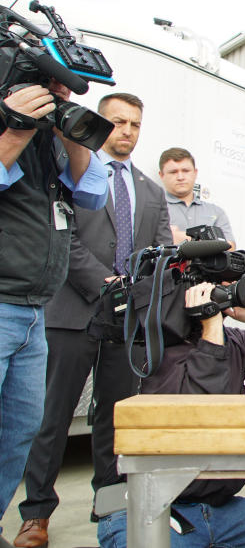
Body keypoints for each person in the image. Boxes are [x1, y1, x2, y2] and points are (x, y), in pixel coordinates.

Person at [15, 93, 173, 548]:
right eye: (118, 122)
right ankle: (36, 514)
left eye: (135, 124)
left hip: (125, 322)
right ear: (99, 124)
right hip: (72, 312)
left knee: (114, 417)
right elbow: (62, 235)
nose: (127, 131)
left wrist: (135, 297)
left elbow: (159, 255)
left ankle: (109, 504)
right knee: (52, 417)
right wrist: (107, 283)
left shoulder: (150, 189)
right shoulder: (71, 173)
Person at [95, 280, 245, 548]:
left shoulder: (236, 342)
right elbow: (198, 411)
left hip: (219, 507)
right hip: (149, 503)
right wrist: (210, 327)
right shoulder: (154, 350)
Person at [0, 82, 109, 544]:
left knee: (19, 433)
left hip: (32, 311)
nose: (58, 95)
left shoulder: (51, 140)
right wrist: (15, 128)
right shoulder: (15, 128)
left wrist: (72, 137)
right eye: (51, 86)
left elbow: (91, 195)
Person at [158, 147, 235, 249]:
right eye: (173, 172)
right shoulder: (155, 210)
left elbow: (229, 247)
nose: (180, 177)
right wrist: (210, 241)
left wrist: (179, 237)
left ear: (195, 173)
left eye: (185, 171)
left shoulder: (216, 212)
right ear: (161, 175)